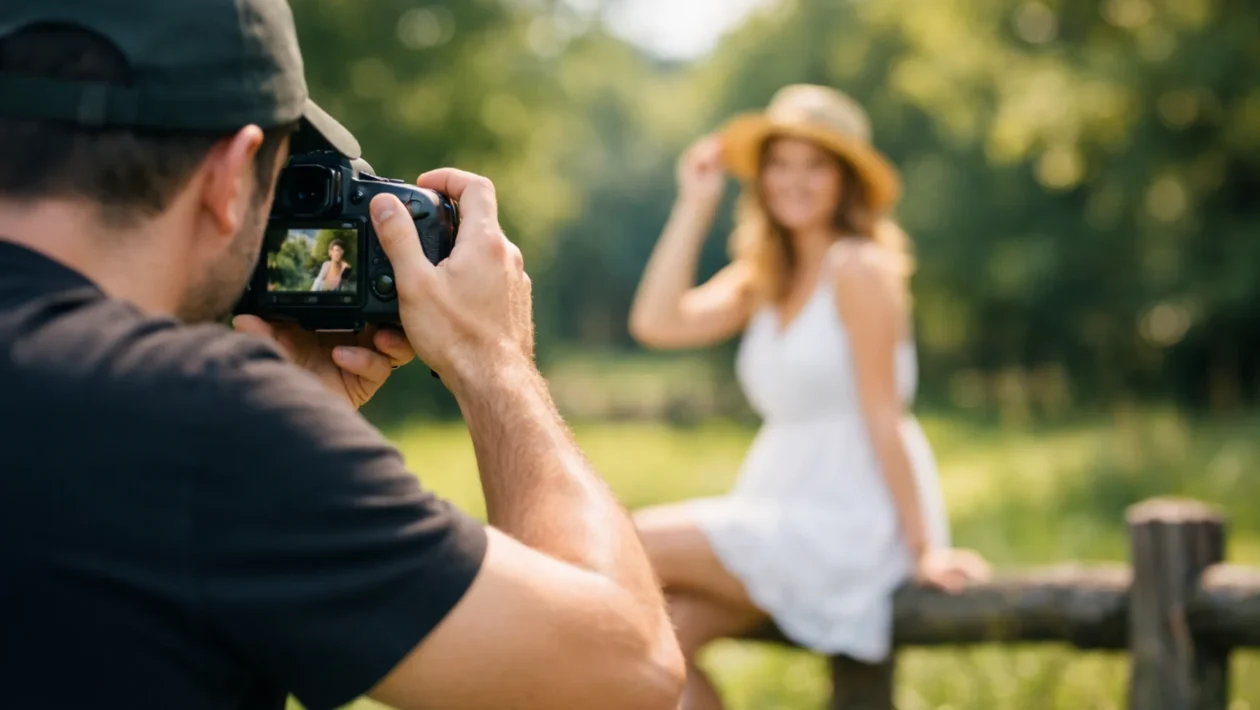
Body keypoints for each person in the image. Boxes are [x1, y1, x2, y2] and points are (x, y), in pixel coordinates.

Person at [0, 3, 683, 710]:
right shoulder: (204, 422)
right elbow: (629, 672)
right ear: (230, 175)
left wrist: (301, 434)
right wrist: (495, 359)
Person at [628, 84, 990, 709]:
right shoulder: (766, 275)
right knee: (656, 655)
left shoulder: (859, 267)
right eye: (780, 164)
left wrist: (926, 548)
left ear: (844, 180)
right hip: (778, 502)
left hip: (848, 519)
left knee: (624, 539)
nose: (793, 180)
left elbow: (884, 413)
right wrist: (695, 203)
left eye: (815, 165)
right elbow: (657, 323)